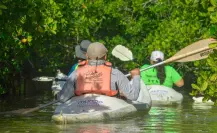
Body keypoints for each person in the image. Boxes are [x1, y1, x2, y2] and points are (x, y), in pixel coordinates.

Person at [58, 42, 141, 102]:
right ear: (105, 57)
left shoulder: (76, 73)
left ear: (87, 56)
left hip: (81, 105)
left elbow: (62, 98)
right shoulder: (115, 73)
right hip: (108, 106)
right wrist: (136, 76)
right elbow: (133, 96)